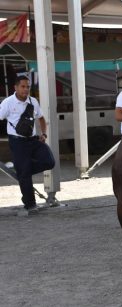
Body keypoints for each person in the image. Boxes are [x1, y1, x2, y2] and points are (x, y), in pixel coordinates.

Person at [0, 75, 55, 213]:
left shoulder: (33, 101)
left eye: (28, 87)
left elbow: (41, 118)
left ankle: (22, 171)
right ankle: (30, 204)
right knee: (24, 173)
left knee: (49, 161)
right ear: (16, 87)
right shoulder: (8, 102)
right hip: (17, 142)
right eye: (23, 86)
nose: (26, 89)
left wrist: (44, 134)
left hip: (33, 140)